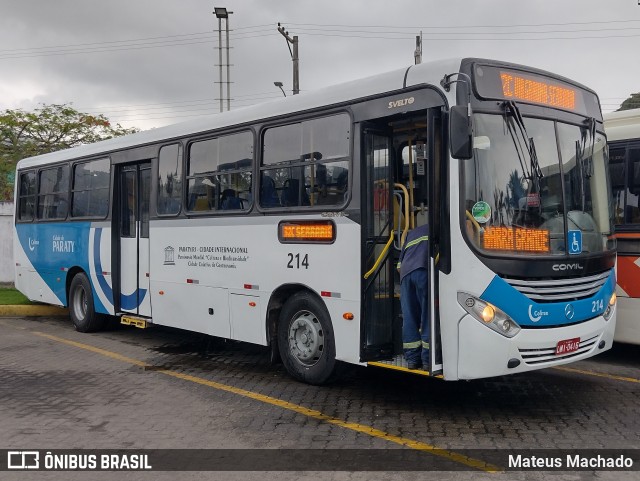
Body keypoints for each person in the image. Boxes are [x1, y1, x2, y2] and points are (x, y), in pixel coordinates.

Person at [397, 223, 430, 370]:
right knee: (427, 316)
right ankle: (428, 359)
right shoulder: (442, 229)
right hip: (423, 271)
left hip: (405, 273)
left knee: (409, 316)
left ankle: (412, 359)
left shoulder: (412, 232)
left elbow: (398, 265)